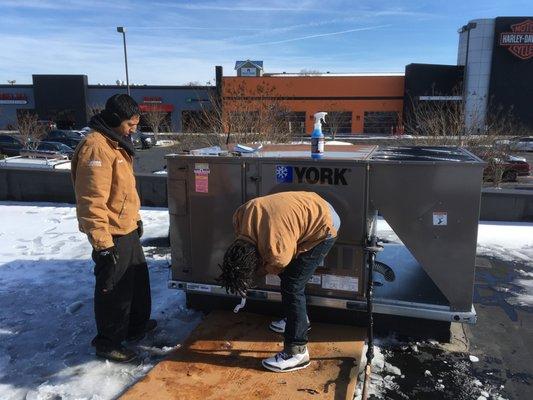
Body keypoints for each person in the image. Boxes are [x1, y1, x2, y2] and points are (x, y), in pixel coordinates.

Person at [71, 94, 156, 362]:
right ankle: (108, 342)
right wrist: (102, 245)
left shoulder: (115, 144)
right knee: (114, 289)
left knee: (137, 281)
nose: (134, 130)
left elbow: (123, 190)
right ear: (116, 119)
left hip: (126, 226)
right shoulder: (96, 148)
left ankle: (134, 326)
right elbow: (91, 200)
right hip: (110, 234)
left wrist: (136, 217)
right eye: (130, 125)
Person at [218, 191, 341, 372]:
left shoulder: (276, 250)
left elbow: (277, 264)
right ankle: (298, 320)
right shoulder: (240, 217)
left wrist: (252, 276)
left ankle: (297, 352)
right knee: (290, 278)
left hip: (324, 224)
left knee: (292, 286)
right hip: (308, 206)